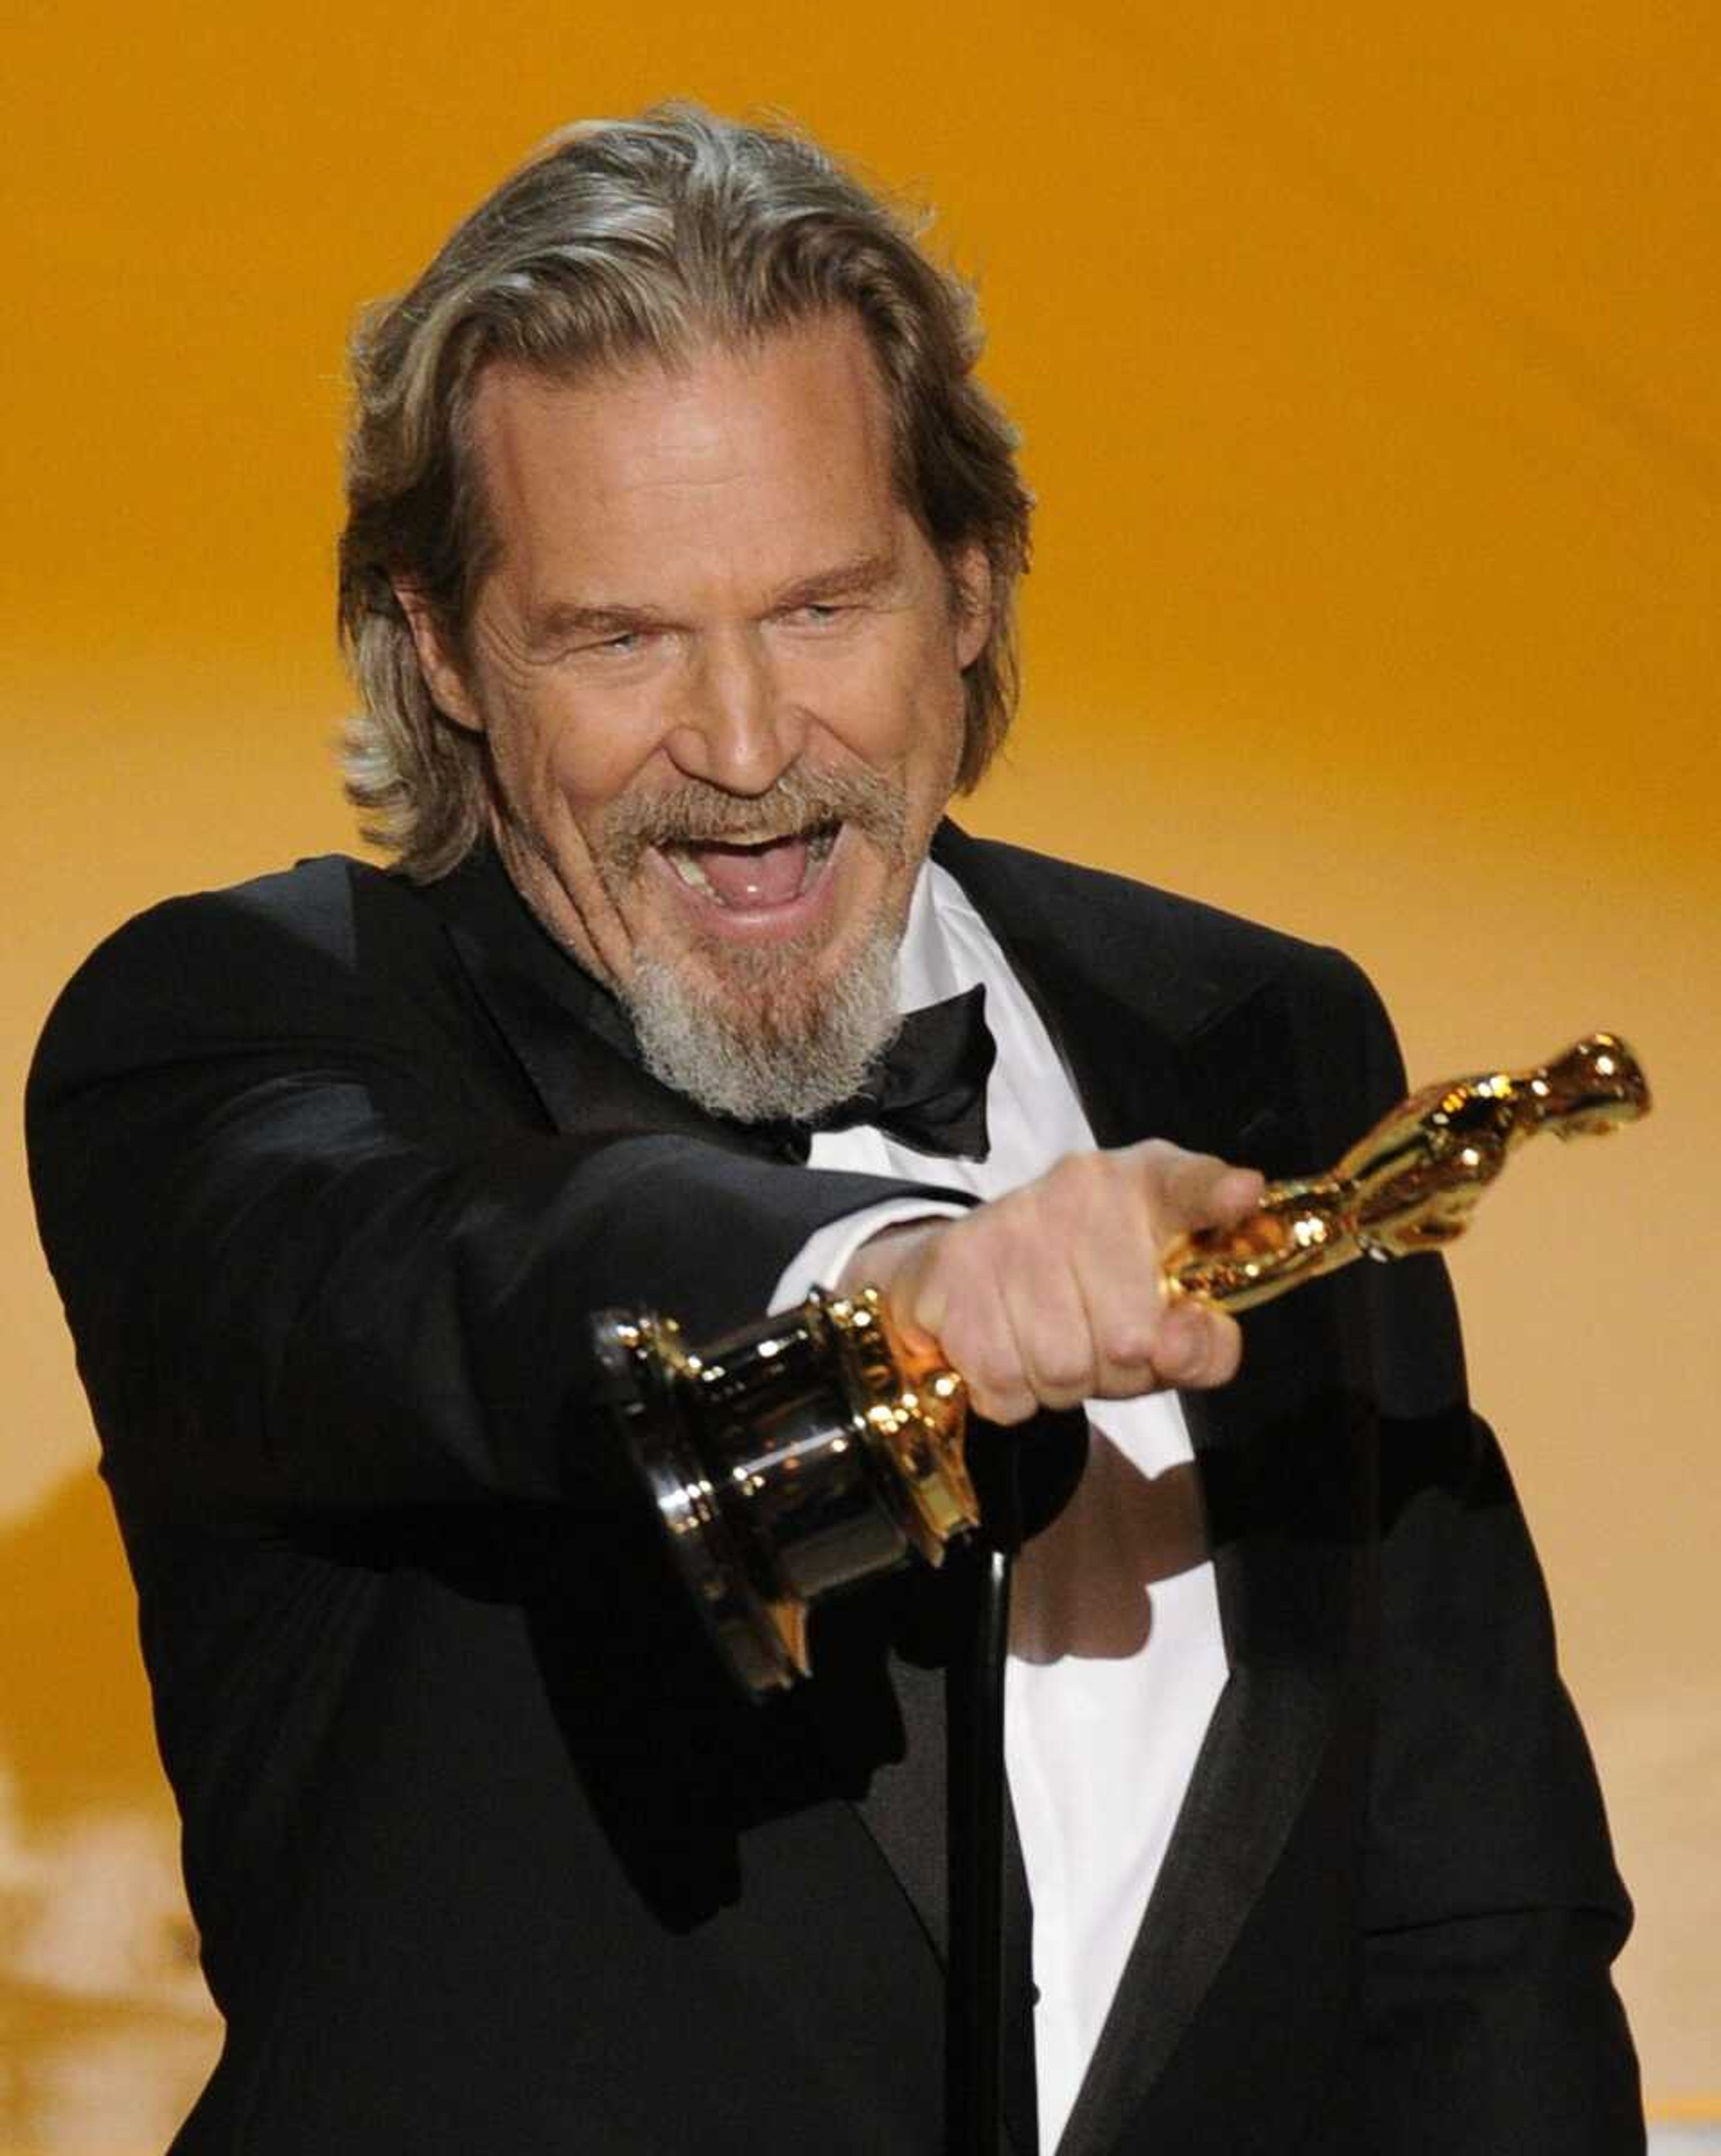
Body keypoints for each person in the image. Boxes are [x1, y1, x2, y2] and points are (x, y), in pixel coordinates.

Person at [26, 105, 1641, 2155]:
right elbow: (449, 1282)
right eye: (617, 636)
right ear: (440, 648)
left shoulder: (1260, 1033)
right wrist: (893, 1291)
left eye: (821, 608)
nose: (744, 746)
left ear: (968, 587)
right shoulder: (249, 1028)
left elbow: (1463, 1913)